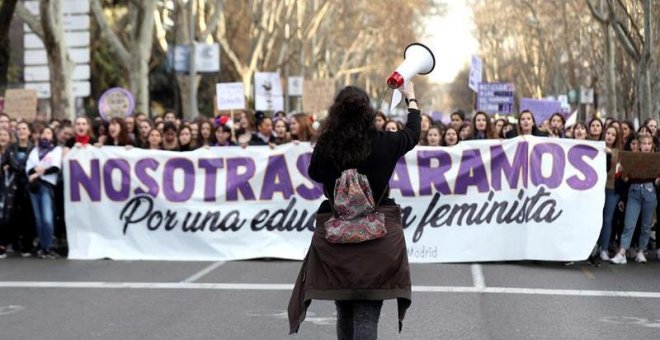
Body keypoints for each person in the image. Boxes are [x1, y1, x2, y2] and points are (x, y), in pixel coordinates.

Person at [289, 83, 419, 339]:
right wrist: (411, 98)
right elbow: (413, 133)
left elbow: (314, 173)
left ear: (335, 113)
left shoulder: (327, 145)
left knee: (344, 311)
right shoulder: (385, 142)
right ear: (368, 112)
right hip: (378, 241)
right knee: (366, 313)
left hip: (337, 242)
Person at [610, 133, 659, 264]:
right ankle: (622, 252)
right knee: (629, 223)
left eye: (649, 144)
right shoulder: (632, 158)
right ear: (639, 146)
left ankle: (641, 251)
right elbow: (623, 177)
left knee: (646, 224)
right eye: (644, 144)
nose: (647, 146)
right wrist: (624, 175)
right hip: (634, 191)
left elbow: (657, 180)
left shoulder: (656, 159)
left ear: (652, 145)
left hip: (649, 191)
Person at [26, 126, 62, 259]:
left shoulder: (56, 150)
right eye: (43, 133)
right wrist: (36, 172)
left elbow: (55, 167)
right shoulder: (35, 151)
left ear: (52, 136)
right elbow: (29, 168)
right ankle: (43, 246)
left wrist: (38, 173)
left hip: (47, 185)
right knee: (39, 219)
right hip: (34, 187)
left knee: (47, 218)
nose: (45, 135)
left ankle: (50, 246)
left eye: (48, 132)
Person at [1, 122, 35, 257]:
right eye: (19, 129)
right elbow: (4, 162)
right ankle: (12, 243)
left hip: (29, 186)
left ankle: (27, 245)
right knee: (11, 215)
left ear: (29, 132)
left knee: (28, 215)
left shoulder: (34, 149)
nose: (21, 131)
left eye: (24, 129)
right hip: (13, 186)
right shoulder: (11, 149)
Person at [597, 125, 623, 262]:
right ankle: (594, 247)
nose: (610, 136)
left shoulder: (618, 153)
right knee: (596, 217)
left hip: (612, 189)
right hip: (596, 188)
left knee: (607, 219)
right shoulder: (596, 147)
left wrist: (610, 153)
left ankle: (604, 249)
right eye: (608, 133)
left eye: (613, 135)